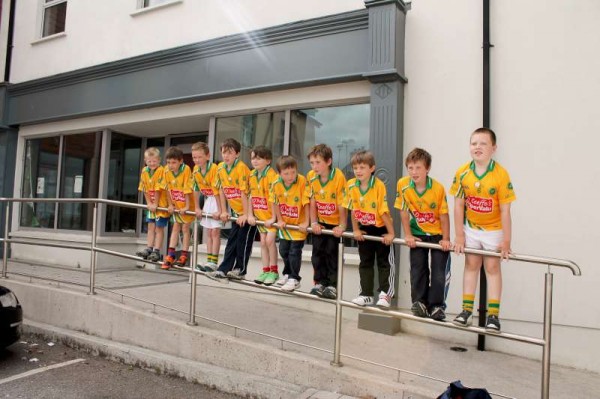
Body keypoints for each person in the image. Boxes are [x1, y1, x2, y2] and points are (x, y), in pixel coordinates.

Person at [450, 127, 516, 332]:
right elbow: (458, 205)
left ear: (493, 148)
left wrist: (506, 241)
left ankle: (493, 315)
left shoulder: (501, 174)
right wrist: (459, 235)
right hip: (471, 228)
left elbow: (506, 211)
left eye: (483, 143)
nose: (477, 147)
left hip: (494, 229)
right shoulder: (462, 172)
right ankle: (466, 310)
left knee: (493, 268)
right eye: (473, 143)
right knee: (471, 265)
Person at [395, 148, 451, 321]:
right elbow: (403, 212)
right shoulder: (403, 185)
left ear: (427, 168)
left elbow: (444, 216)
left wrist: (446, 239)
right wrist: (408, 235)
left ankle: (436, 306)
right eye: (410, 168)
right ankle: (419, 302)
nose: (414, 172)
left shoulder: (437, 188)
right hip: (418, 232)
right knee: (418, 268)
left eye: (418, 168)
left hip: (436, 233)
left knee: (438, 271)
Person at [343, 150, 395, 308]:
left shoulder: (378, 186)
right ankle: (365, 294)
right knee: (365, 262)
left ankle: (385, 294)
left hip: (380, 229)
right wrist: (356, 230)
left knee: (384, 263)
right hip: (365, 228)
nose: (358, 171)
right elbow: (352, 209)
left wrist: (391, 233)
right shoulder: (351, 185)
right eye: (355, 167)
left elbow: (383, 212)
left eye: (362, 167)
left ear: (372, 168)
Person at [206, 138, 256, 283]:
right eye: (223, 152)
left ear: (237, 154)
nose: (226, 156)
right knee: (231, 242)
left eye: (230, 153)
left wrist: (246, 215)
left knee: (242, 242)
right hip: (235, 213)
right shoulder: (220, 168)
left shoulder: (241, 168)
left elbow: (245, 193)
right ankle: (223, 270)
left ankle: (240, 270)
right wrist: (223, 211)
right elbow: (221, 190)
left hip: (249, 213)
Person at [306, 144, 347, 299]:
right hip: (321, 222)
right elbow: (312, 200)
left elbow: (342, 204)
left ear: (328, 161)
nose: (314, 167)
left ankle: (332, 285)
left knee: (331, 252)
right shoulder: (311, 176)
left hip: (335, 223)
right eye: (312, 163)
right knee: (317, 253)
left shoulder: (338, 177)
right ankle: (320, 283)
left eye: (318, 163)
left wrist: (342, 225)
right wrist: (314, 222)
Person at [269, 155, 310, 292]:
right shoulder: (276, 183)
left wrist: (306, 221)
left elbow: (307, 202)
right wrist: (279, 219)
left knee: (294, 252)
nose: (290, 176)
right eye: (286, 173)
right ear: (279, 173)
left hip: (298, 225)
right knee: (283, 250)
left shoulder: (302, 181)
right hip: (285, 224)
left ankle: (294, 278)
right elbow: (275, 202)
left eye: (293, 172)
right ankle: (287, 273)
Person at [247, 146, 280, 285]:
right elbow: (250, 196)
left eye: (259, 158)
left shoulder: (273, 176)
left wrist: (273, 217)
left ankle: (274, 271)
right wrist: (250, 214)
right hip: (260, 216)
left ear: (268, 161)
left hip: (272, 217)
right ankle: (265, 270)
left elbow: (275, 198)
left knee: (270, 242)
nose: (255, 161)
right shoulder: (252, 175)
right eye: (253, 158)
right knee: (262, 243)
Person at [161, 146, 195, 270]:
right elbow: (168, 190)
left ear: (180, 161)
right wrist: (170, 204)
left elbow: (187, 189)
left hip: (187, 204)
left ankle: (184, 255)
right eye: (168, 162)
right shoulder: (166, 171)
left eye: (174, 162)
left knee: (185, 228)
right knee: (175, 227)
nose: (171, 165)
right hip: (176, 203)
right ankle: (170, 255)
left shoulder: (186, 169)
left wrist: (186, 206)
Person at [191, 142, 222, 272]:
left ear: (207, 156)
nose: (197, 160)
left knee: (215, 231)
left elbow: (219, 190)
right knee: (208, 232)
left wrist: (221, 210)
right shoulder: (196, 170)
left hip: (219, 199)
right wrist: (197, 207)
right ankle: (209, 260)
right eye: (194, 158)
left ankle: (214, 261)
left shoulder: (214, 168)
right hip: (209, 200)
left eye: (200, 157)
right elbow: (196, 189)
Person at [136, 147, 169, 263]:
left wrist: (155, 204)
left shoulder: (162, 170)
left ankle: (157, 250)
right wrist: (149, 203)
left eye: (154, 161)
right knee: (150, 227)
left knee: (159, 228)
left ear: (159, 160)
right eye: (149, 161)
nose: (152, 163)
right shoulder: (144, 171)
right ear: (145, 161)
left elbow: (158, 189)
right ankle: (149, 248)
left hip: (161, 204)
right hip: (151, 204)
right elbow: (144, 188)